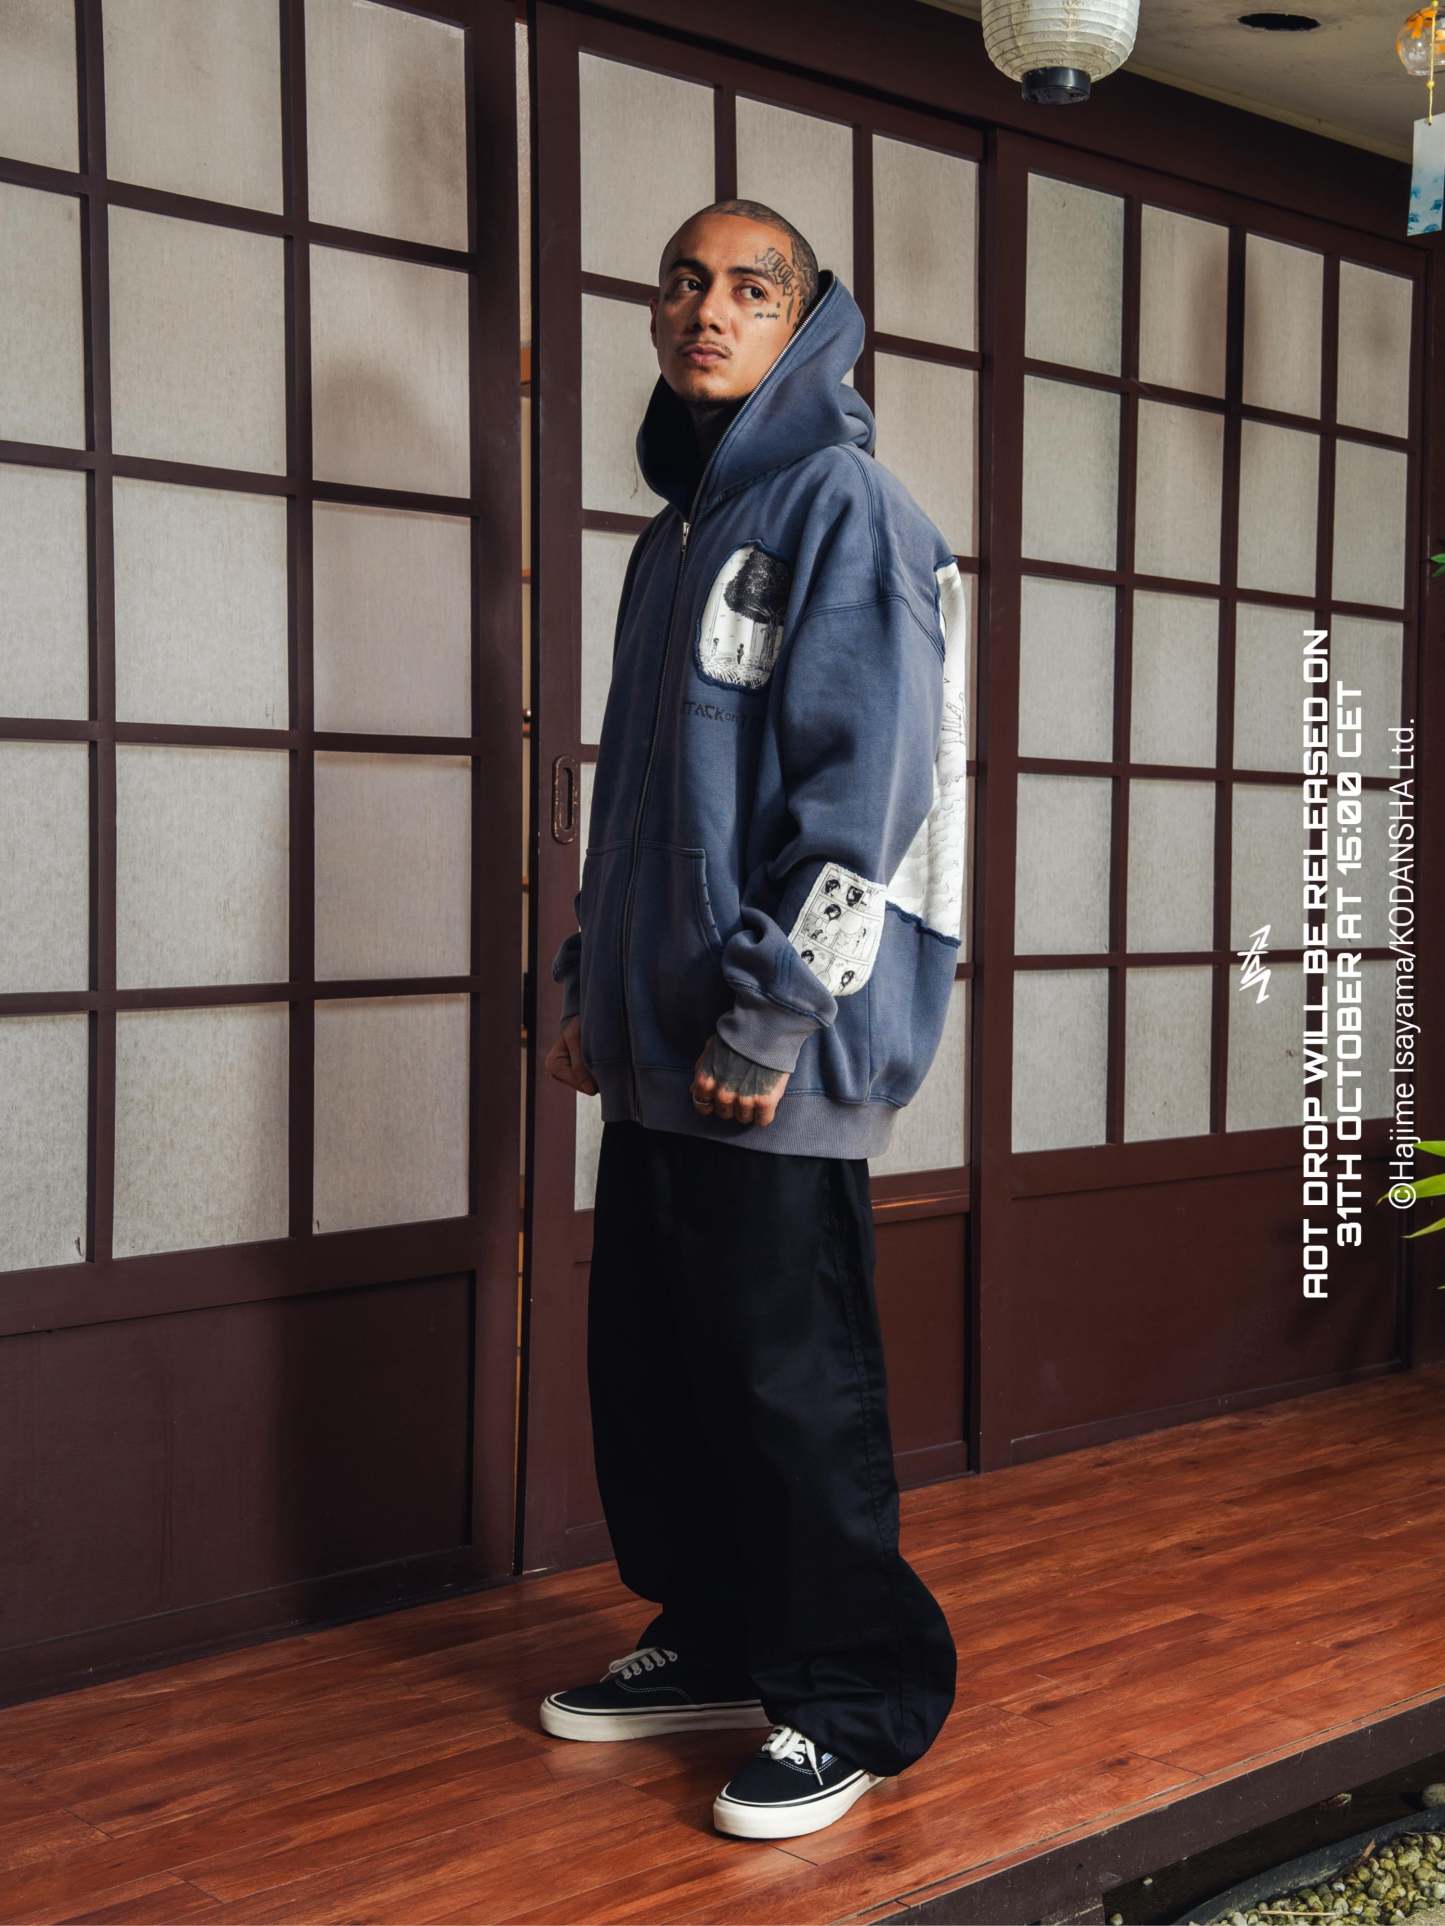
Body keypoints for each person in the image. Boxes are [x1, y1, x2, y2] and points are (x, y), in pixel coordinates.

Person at [541, 200, 966, 1842]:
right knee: (663, 1374)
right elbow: (640, 806)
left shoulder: (845, 508)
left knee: (791, 1389)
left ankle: (854, 1691)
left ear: (807, 322)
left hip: (775, 1047)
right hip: (658, 1043)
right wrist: (588, 987)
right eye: (684, 282)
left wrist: (774, 1015)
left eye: (749, 287)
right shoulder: (674, 537)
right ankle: (718, 1635)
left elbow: (869, 803)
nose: (705, 309)